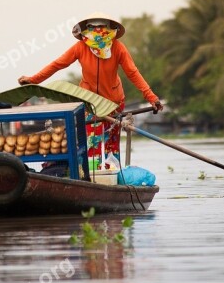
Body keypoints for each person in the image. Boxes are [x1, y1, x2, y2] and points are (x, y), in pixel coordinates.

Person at [18, 12, 162, 172]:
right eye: (92, 28)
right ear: (86, 31)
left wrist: (151, 97)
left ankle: (113, 174)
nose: (97, 31)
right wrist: (33, 80)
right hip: (89, 103)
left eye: (101, 27)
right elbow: (57, 64)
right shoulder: (80, 47)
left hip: (114, 103)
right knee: (92, 141)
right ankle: (94, 176)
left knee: (111, 143)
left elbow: (132, 73)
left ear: (109, 29)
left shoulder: (117, 47)